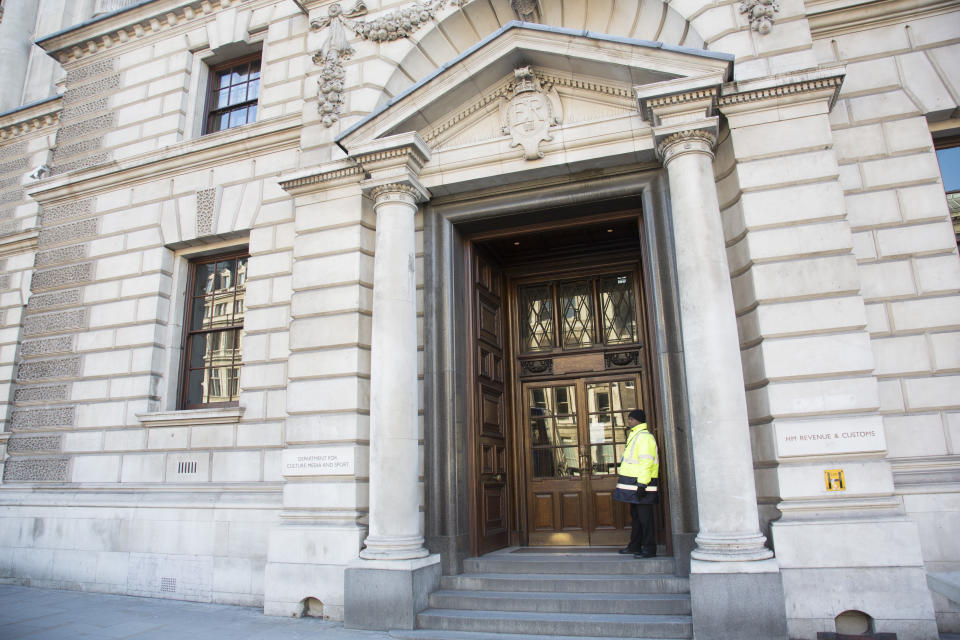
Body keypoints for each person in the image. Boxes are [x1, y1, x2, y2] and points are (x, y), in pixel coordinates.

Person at [612, 409, 658, 558]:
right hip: (633, 485)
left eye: (631, 419)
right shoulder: (635, 435)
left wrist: (642, 484)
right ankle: (635, 546)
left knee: (645, 519)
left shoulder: (644, 437)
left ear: (638, 421)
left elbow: (647, 462)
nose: (629, 421)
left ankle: (649, 548)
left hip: (641, 485)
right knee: (637, 518)